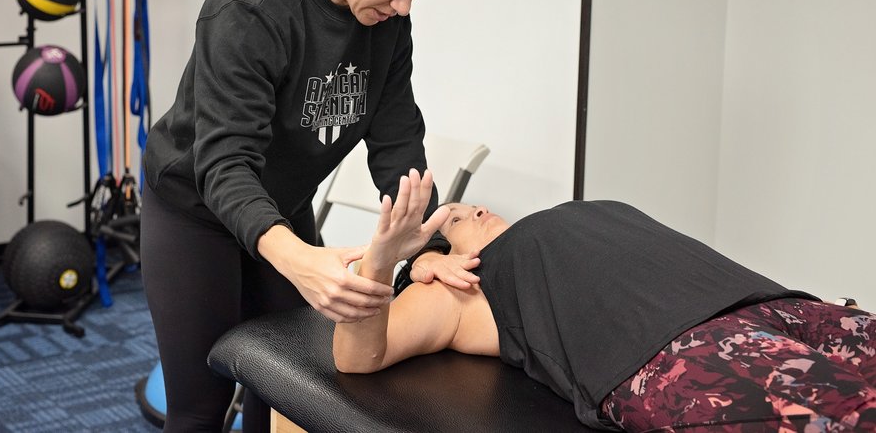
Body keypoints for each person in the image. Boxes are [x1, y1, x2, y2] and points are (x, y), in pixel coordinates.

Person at [140, 0, 466, 432]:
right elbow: (225, 166)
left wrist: (427, 243)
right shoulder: (251, 8)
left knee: (288, 389)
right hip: (194, 211)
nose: (407, 6)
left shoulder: (388, 29)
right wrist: (300, 260)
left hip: (282, 206)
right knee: (199, 404)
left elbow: (397, 142)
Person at [334, 169, 876, 431]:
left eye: (470, 203)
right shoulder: (462, 286)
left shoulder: (576, 217)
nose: (473, 210)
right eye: (454, 217)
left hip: (780, 306)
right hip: (686, 353)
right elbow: (359, 358)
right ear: (437, 250)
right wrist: (390, 262)